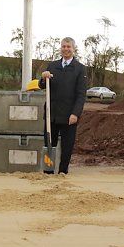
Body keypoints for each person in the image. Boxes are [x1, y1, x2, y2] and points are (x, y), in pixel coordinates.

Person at [39, 37, 87, 175]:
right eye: (64, 46)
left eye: (68, 47)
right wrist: (43, 78)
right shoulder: (53, 66)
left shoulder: (80, 69)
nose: (66, 49)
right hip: (51, 115)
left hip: (68, 115)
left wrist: (75, 113)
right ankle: (48, 170)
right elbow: (42, 86)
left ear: (73, 49)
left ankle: (62, 171)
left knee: (67, 146)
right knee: (49, 144)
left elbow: (81, 94)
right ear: (61, 48)